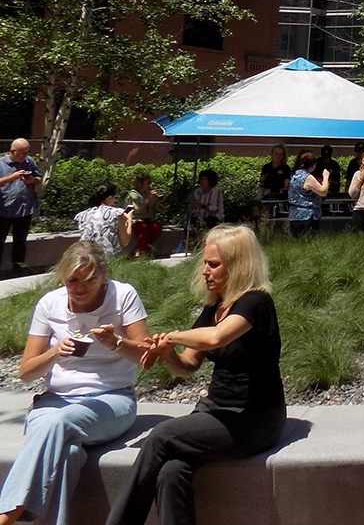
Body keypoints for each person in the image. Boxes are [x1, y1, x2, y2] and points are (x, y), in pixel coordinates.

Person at [105, 226, 285, 525]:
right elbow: (188, 366)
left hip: (255, 417)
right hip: (216, 410)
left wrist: (174, 336)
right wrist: (167, 355)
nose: (204, 271)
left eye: (213, 264)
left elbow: (216, 339)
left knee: (162, 435)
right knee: (171, 470)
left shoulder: (256, 302)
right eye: (204, 263)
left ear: (238, 265)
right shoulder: (214, 306)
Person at [0, 242, 149, 525]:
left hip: (112, 399)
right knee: (66, 454)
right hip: (56, 400)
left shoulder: (123, 295)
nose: (80, 287)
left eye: (89, 279)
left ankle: (7, 514)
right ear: (62, 277)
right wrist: (55, 352)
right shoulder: (49, 304)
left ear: (103, 272)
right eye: (73, 280)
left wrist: (116, 343)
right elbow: (26, 373)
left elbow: (145, 356)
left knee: (58, 423)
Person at [0, 138, 42, 274]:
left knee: (20, 242)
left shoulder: (29, 162)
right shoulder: (1, 164)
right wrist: (11, 178)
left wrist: (31, 181)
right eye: (21, 154)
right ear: (12, 151)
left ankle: (18, 270)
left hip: (25, 209)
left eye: (27, 153)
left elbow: (38, 178)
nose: (24, 157)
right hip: (4, 210)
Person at [74, 185, 132, 258]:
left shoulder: (82, 215)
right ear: (110, 198)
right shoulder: (116, 213)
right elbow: (124, 242)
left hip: (86, 256)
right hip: (109, 257)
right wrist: (129, 220)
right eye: (116, 197)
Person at [286, 153, 330, 237]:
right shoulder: (308, 177)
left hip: (294, 215)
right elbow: (323, 191)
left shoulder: (296, 175)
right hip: (307, 217)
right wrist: (326, 177)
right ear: (313, 166)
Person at [125, 174, 163, 257]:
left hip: (146, 219)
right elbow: (138, 210)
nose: (149, 185)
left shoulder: (147, 193)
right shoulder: (133, 195)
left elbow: (153, 209)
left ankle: (141, 248)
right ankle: (143, 251)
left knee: (157, 227)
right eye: (148, 183)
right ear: (141, 184)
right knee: (144, 230)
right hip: (135, 220)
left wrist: (159, 202)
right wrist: (149, 198)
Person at [256, 144, 290, 227]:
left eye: (280, 155)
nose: (278, 156)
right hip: (267, 193)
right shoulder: (266, 167)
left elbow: (286, 183)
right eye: (276, 154)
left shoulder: (285, 168)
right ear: (272, 155)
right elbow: (261, 180)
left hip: (279, 194)